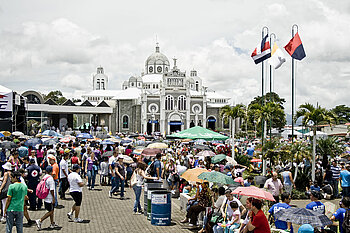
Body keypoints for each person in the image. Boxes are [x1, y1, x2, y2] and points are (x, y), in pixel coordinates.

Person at [35, 166, 60, 230]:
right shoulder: (50, 179)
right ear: (51, 171)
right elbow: (52, 190)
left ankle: (52, 223)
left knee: (51, 210)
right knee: (51, 211)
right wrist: (54, 198)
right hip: (50, 197)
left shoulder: (45, 177)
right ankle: (40, 220)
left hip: (45, 197)